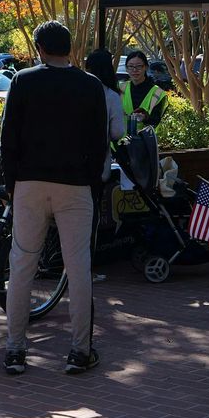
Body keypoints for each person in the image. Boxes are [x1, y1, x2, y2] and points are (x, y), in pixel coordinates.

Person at [1, 21, 107, 375]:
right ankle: (79, 350)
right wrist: (91, 184)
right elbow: (98, 143)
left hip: (30, 183)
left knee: (22, 264)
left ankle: (15, 349)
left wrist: (12, 184)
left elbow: (8, 139)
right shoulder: (90, 85)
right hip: (76, 185)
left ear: (39, 48)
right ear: (70, 48)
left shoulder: (23, 80)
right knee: (78, 268)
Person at [85, 49, 127, 283]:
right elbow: (117, 132)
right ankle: (86, 270)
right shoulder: (111, 95)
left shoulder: (77, 90)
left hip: (64, 165)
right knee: (89, 220)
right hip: (94, 167)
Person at [122, 50, 167, 130]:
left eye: (139, 66)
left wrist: (145, 118)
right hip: (119, 140)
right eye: (131, 66)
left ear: (146, 67)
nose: (134, 70)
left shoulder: (158, 93)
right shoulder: (120, 88)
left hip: (145, 140)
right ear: (126, 68)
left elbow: (157, 121)